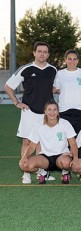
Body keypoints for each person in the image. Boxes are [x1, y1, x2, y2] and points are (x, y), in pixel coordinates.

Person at [4, 41, 57, 184]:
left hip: (46, 114)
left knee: (42, 143)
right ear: (34, 53)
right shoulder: (25, 69)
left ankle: (42, 173)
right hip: (29, 112)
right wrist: (17, 102)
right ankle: (26, 173)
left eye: (45, 52)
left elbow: (53, 88)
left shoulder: (53, 70)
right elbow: (8, 87)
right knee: (27, 141)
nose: (42, 54)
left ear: (48, 54)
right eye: (39, 51)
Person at [18, 100, 77, 184]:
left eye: (54, 109)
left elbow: (73, 143)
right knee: (24, 165)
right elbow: (32, 146)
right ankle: (42, 171)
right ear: (45, 111)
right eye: (49, 109)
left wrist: (75, 158)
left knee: (67, 163)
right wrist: (24, 157)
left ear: (58, 111)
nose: (52, 112)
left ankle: (65, 172)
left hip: (62, 156)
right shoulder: (38, 125)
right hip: (45, 158)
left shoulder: (65, 123)